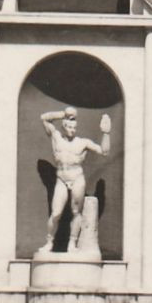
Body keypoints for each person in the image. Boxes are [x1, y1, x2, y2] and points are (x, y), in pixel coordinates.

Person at [38, 107, 112, 254]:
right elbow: (44, 117)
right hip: (61, 178)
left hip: (77, 178)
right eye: (69, 127)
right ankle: (49, 242)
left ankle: (72, 243)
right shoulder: (56, 137)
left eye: (74, 127)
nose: (72, 130)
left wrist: (106, 133)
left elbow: (104, 151)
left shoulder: (82, 143)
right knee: (56, 213)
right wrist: (63, 114)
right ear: (64, 126)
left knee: (76, 212)